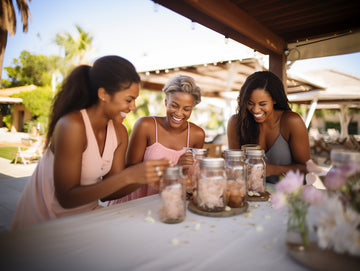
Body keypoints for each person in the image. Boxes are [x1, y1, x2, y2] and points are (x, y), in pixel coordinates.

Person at [11, 55, 170, 230]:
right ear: (103, 94)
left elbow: (110, 193)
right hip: (43, 224)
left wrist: (143, 178)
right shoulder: (72, 125)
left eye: (134, 100)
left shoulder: (119, 132)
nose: (133, 107)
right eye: (128, 99)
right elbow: (66, 198)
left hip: (83, 219)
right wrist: (129, 175)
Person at [108, 74, 205, 204]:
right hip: (137, 202)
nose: (179, 113)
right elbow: (130, 170)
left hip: (170, 202)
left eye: (186, 109)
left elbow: (192, 176)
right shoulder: (146, 125)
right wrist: (174, 169)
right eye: (174, 105)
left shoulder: (197, 134)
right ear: (166, 102)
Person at [227, 71, 310, 183]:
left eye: (262, 104)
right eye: (250, 103)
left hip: (288, 196)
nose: (255, 110)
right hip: (251, 195)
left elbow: (307, 169)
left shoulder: (291, 121)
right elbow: (234, 167)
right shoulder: (236, 122)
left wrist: (273, 169)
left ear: (274, 100)